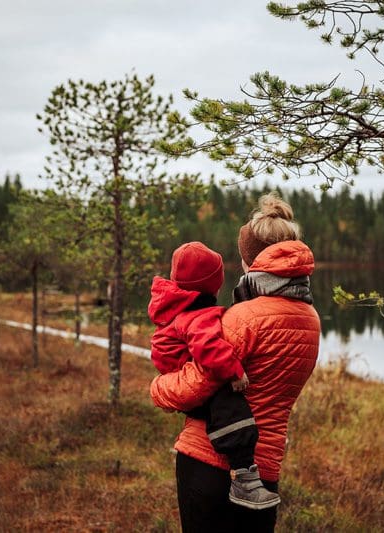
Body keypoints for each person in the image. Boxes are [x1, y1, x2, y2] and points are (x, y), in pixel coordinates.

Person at [150, 193, 321, 532]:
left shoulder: (243, 317)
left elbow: (193, 387)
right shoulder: (311, 319)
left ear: (251, 261)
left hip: (209, 460)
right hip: (266, 467)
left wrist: (157, 388)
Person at [147, 241, 281, 510]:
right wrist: (234, 371)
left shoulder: (177, 303)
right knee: (231, 406)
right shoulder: (198, 313)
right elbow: (207, 346)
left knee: (210, 408)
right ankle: (244, 477)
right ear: (214, 284)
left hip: (174, 364)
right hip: (183, 362)